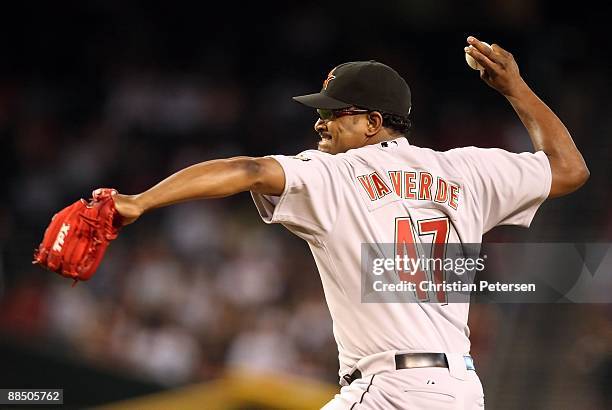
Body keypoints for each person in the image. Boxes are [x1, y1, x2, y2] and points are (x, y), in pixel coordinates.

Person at [111, 36, 589, 409]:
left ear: (372, 122)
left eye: (333, 112)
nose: (320, 122)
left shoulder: (336, 173)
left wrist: (140, 201)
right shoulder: (467, 171)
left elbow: (248, 170)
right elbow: (570, 169)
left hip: (392, 390)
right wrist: (516, 88)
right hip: (462, 391)